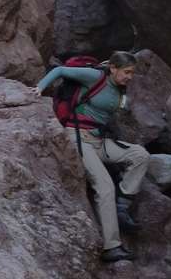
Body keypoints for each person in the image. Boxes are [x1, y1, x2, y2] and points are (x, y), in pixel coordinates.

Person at [34, 52, 150, 264]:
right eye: (127, 72)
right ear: (113, 68)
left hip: (99, 140)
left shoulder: (120, 87)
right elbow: (60, 70)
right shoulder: (95, 76)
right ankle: (111, 247)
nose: (130, 77)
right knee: (105, 187)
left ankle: (121, 207)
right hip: (79, 138)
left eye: (132, 73)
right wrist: (39, 88)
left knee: (140, 155)